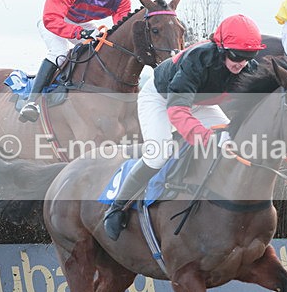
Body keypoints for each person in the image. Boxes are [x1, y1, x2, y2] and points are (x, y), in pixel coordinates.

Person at [103, 14, 265, 240]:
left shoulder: (248, 68)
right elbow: (178, 111)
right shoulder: (197, 59)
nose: (241, 63)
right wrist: (208, 138)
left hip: (200, 103)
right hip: (162, 99)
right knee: (159, 154)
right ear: (220, 48)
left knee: (233, 143)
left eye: (249, 57)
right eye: (236, 56)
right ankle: (117, 206)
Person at [19, 0, 132, 122]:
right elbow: (51, 18)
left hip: (82, 23)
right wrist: (79, 33)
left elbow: (122, 27)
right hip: (55, 20)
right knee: (60, 53)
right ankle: (31, 102)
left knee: (101, 50)